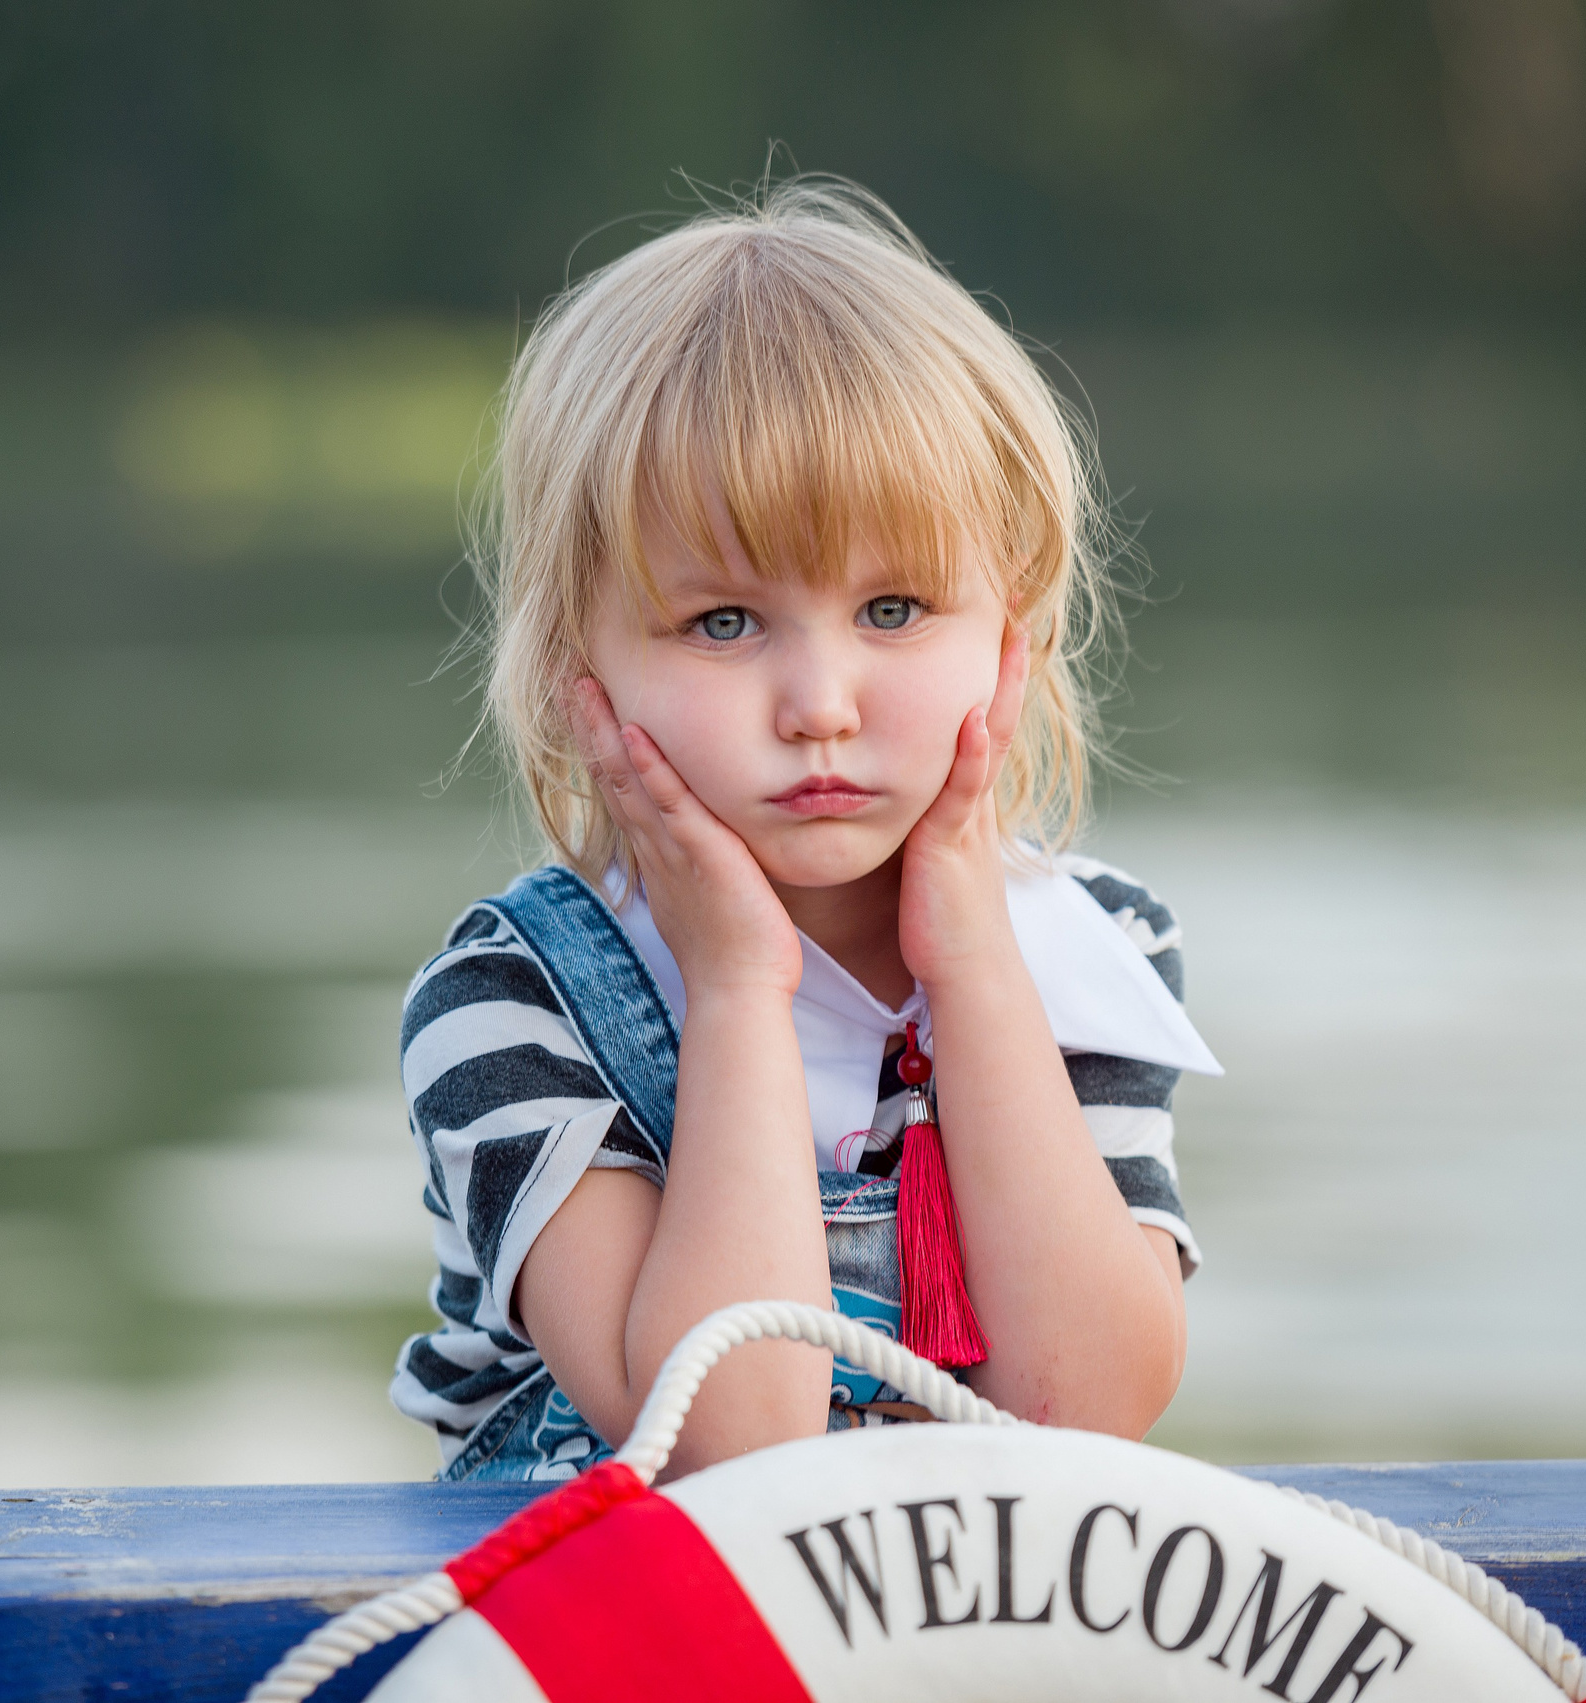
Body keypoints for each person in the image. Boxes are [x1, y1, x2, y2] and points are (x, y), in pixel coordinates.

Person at [390, 178, 1219, 1483]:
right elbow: (725, 1439)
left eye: (894, 610)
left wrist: (975, 972)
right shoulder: (508, 1004)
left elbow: (1083, 1410)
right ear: (575, 669)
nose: (821, 707)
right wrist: (735, 987)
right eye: (723, 623)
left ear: (1014, 632)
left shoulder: (1095, 954)